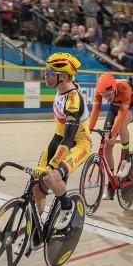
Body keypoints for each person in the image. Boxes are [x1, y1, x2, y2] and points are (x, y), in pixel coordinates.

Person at [32, 52, 91, 232]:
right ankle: (36, 228)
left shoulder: (73, 100)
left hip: (77, 143)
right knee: (37, 183)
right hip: (58, 139)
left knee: (52, 176)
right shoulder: (61, 89)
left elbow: (68, 138)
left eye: (49, 72)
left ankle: (67, 207)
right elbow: (60, 136)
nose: (45, 75)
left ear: (63, 77)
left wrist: (53, 166)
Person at [89, 73, 133, 200]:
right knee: (107, 145)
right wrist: (88, 132)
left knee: (122, 125)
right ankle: (111, 184)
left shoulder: (124, 88)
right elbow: (95, 111)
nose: (106, 98)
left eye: (108, 95)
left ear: (114, 88)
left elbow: (121, 115)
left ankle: (127, 159)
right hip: (115, 106)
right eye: (104, 96)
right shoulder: (100, 91)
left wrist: (113, 134)